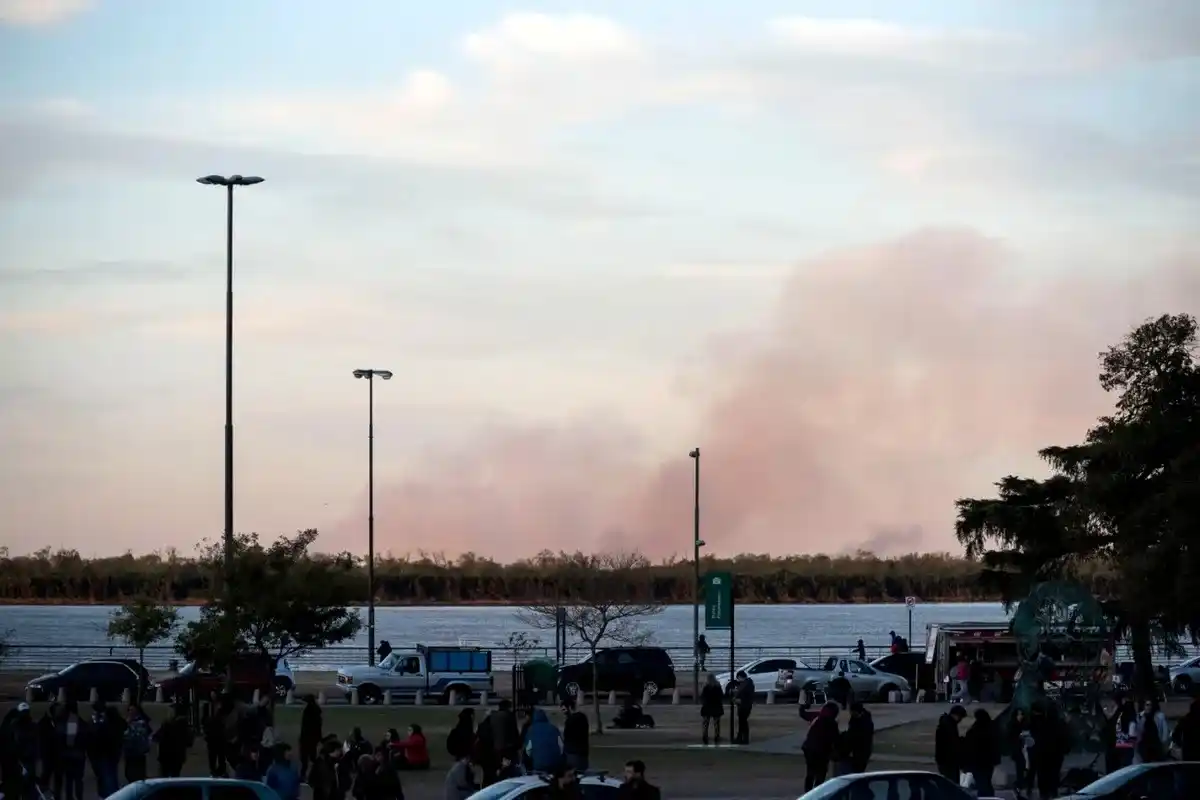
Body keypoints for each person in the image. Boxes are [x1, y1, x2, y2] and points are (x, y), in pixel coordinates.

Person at [799, 702, 840, 791]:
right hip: (822, 751)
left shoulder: (817, 716)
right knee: (821, 774)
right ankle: (817, 793)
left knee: (810, 772)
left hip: (809, 748)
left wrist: (803, 706)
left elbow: (803, 714)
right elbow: (836, 740)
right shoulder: (832, 724)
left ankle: (808, 793)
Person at [88, 699, 124, 798]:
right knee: (108, 777)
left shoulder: (102, 723)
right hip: (106, 753)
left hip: (103, 753)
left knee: (107, 778)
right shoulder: (107, 722)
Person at [962, 708, 1000, 796]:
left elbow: (970, 747)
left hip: (978, 762)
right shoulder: (992, 728)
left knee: (982, 783)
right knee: (986, 782)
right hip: (988, 762)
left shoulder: (976, 730)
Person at [56, 700, 88, 800]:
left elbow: (70, 739)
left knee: (70, 780)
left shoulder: (69, 721)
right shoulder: (79, 721)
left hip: (69, 754)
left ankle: (70, 797)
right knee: (78, 779)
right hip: (78, 754)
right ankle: (78, 797)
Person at [154, 703, 192, 778]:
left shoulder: (167, 724)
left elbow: (157, 737)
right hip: (178, 757)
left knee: (164, 777)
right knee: (175, 776)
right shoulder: (185, 725)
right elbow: (189, 742)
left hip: (166, 756)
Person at [523, 708, 563, 773]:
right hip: (554, 764)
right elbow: (561, 747)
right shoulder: (553, 728)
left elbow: (528, 750)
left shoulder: (531, 729)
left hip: (538, 764)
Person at [934, 704, 966, 782]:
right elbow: (952, 744)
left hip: (945, 760)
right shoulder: (949, 725)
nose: (960, 720)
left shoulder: (947, 724)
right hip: (948, 761)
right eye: (960, 717)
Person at [123, 703, 153, 784]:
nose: (130, 712)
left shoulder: (141, 722)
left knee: (137, 774)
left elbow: (139, 735)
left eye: (132, 710)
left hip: (138, 751)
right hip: (129, 751)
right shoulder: (127, 721)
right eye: (129, 710)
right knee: (129, 773)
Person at [1133, 697, 1168, 764]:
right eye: (1147, 705)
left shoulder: (1159, 716)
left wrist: (1163, 745)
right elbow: (1138, 732)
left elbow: (1164, 733)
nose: (1149, 707)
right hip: (1144, 747)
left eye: (1150, 705)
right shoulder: (1140, 717)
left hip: (1156, 746)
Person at [36, 702, 59, 795]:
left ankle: (49, 790)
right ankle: (43, 788)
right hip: (47, 752)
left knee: (52, 772)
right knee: (47, 771)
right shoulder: (44, 723)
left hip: (54, 752)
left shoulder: (57, 721)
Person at [561, 700, 589, 771]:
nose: (563, 712)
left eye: (564, 709)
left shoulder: (570, 721)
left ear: (570, 707)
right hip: (583, 753)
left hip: (572, 754)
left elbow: (566, 736)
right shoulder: (583, 717)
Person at [300, 694, 323, 779]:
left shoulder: (309, 712)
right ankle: (314, 774)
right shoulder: (316, 711)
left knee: (305, 758)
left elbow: (307, 727)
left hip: (307, 738)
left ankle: (305, 775)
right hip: (313, 739)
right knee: (312, 757)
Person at [846, 703, 874, 774]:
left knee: (858, 769)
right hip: (857, 749)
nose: (850, 713)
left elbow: (862, 736)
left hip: (862, 750)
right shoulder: (855, 719)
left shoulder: (865, 722)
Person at [699, 674, 724, 745]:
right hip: (716, 707)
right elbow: (721, 696)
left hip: (707, 707)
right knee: (716, 724)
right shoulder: (718, 686)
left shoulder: (706, 687)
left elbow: (702, 696)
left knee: (705, 724)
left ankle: (705, 737)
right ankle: (716, 737)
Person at [734, 670, 755, 744]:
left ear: (740, 677)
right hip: (745, 706)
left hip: (744, 706)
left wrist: (739, 700)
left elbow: (746, 696)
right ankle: (741, 738)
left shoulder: (746, 684)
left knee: (743, 723)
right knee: (743, 723)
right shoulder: (747, 683)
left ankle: (743, 739)